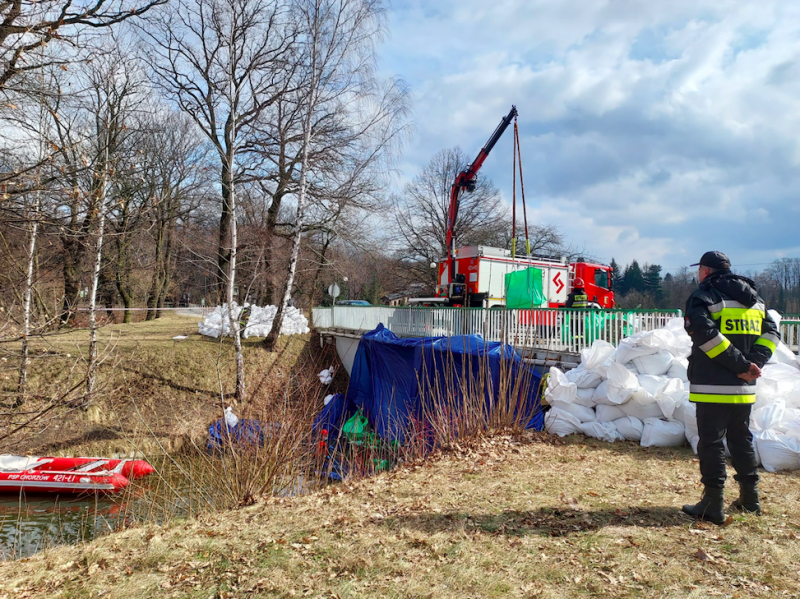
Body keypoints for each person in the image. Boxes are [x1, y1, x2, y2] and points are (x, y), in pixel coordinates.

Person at [681, 251, 779, 524]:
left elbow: (706, 336)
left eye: (699, 270)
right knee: (741, 438)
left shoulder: (704, 297)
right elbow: (772, 333)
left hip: (712, 385)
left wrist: (740, 365)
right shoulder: (755, 299)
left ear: (705, 270)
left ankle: (713, 502)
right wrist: (753, 364)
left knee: (711, 443)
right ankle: (750, 498)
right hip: (744, 387)